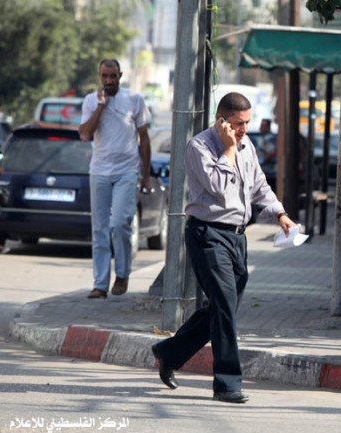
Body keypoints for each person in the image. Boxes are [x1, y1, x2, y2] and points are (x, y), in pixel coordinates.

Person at [151, 92, 296, 404]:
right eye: (238, 123)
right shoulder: (199, 146)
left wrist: (280, 214)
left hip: (237, 237)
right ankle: (227, 383)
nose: (243, 129)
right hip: (208, 234)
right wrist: (229, 149)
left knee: (221, 307)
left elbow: (259, 186)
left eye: (246, 123)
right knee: (226, 309)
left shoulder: (247, 146)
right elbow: (217, 186)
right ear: (221, 120)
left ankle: (168, 353)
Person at [78, 59, 151, 299]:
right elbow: (85, 134)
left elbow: (144, 138)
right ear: (99, 76)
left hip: (127, 171)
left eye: (113, 76)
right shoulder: (91, 101)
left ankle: (122, 272)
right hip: (99, 171)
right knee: (99, 228)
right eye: (104, 76)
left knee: (120, 223)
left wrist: (146, 175)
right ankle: (100, 284)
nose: (109, 81)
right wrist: (101, 105)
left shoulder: (134, 100)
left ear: (120, 75)